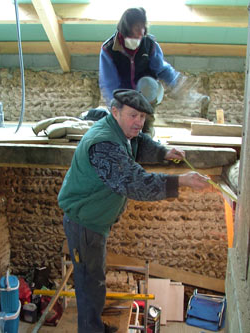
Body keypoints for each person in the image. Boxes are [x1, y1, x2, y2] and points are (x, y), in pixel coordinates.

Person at [57, 89, 210, 333]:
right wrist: (181, 181)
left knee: (94, 279)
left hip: (94, 221)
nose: (139, 122)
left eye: (142, 116)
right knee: (88, 283)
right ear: (115, 112)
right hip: (84, 221)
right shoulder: (105, 144)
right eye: (133, 116)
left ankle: (93, 326)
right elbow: (135, 184)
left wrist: (163, 152)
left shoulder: (119, 130)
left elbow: (137, 143)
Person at [99, 7, 185, 136]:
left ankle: (147, 127)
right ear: (127, 27)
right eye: (137, 28)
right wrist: (117, 109)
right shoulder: (109, 49)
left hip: (146, 92)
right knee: (124, 128)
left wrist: (176, 81)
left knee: (147, 83)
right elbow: (109, 82)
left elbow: (161, 67)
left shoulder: (149, 44)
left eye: (143, 28)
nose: (141, 32)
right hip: (125, 96)